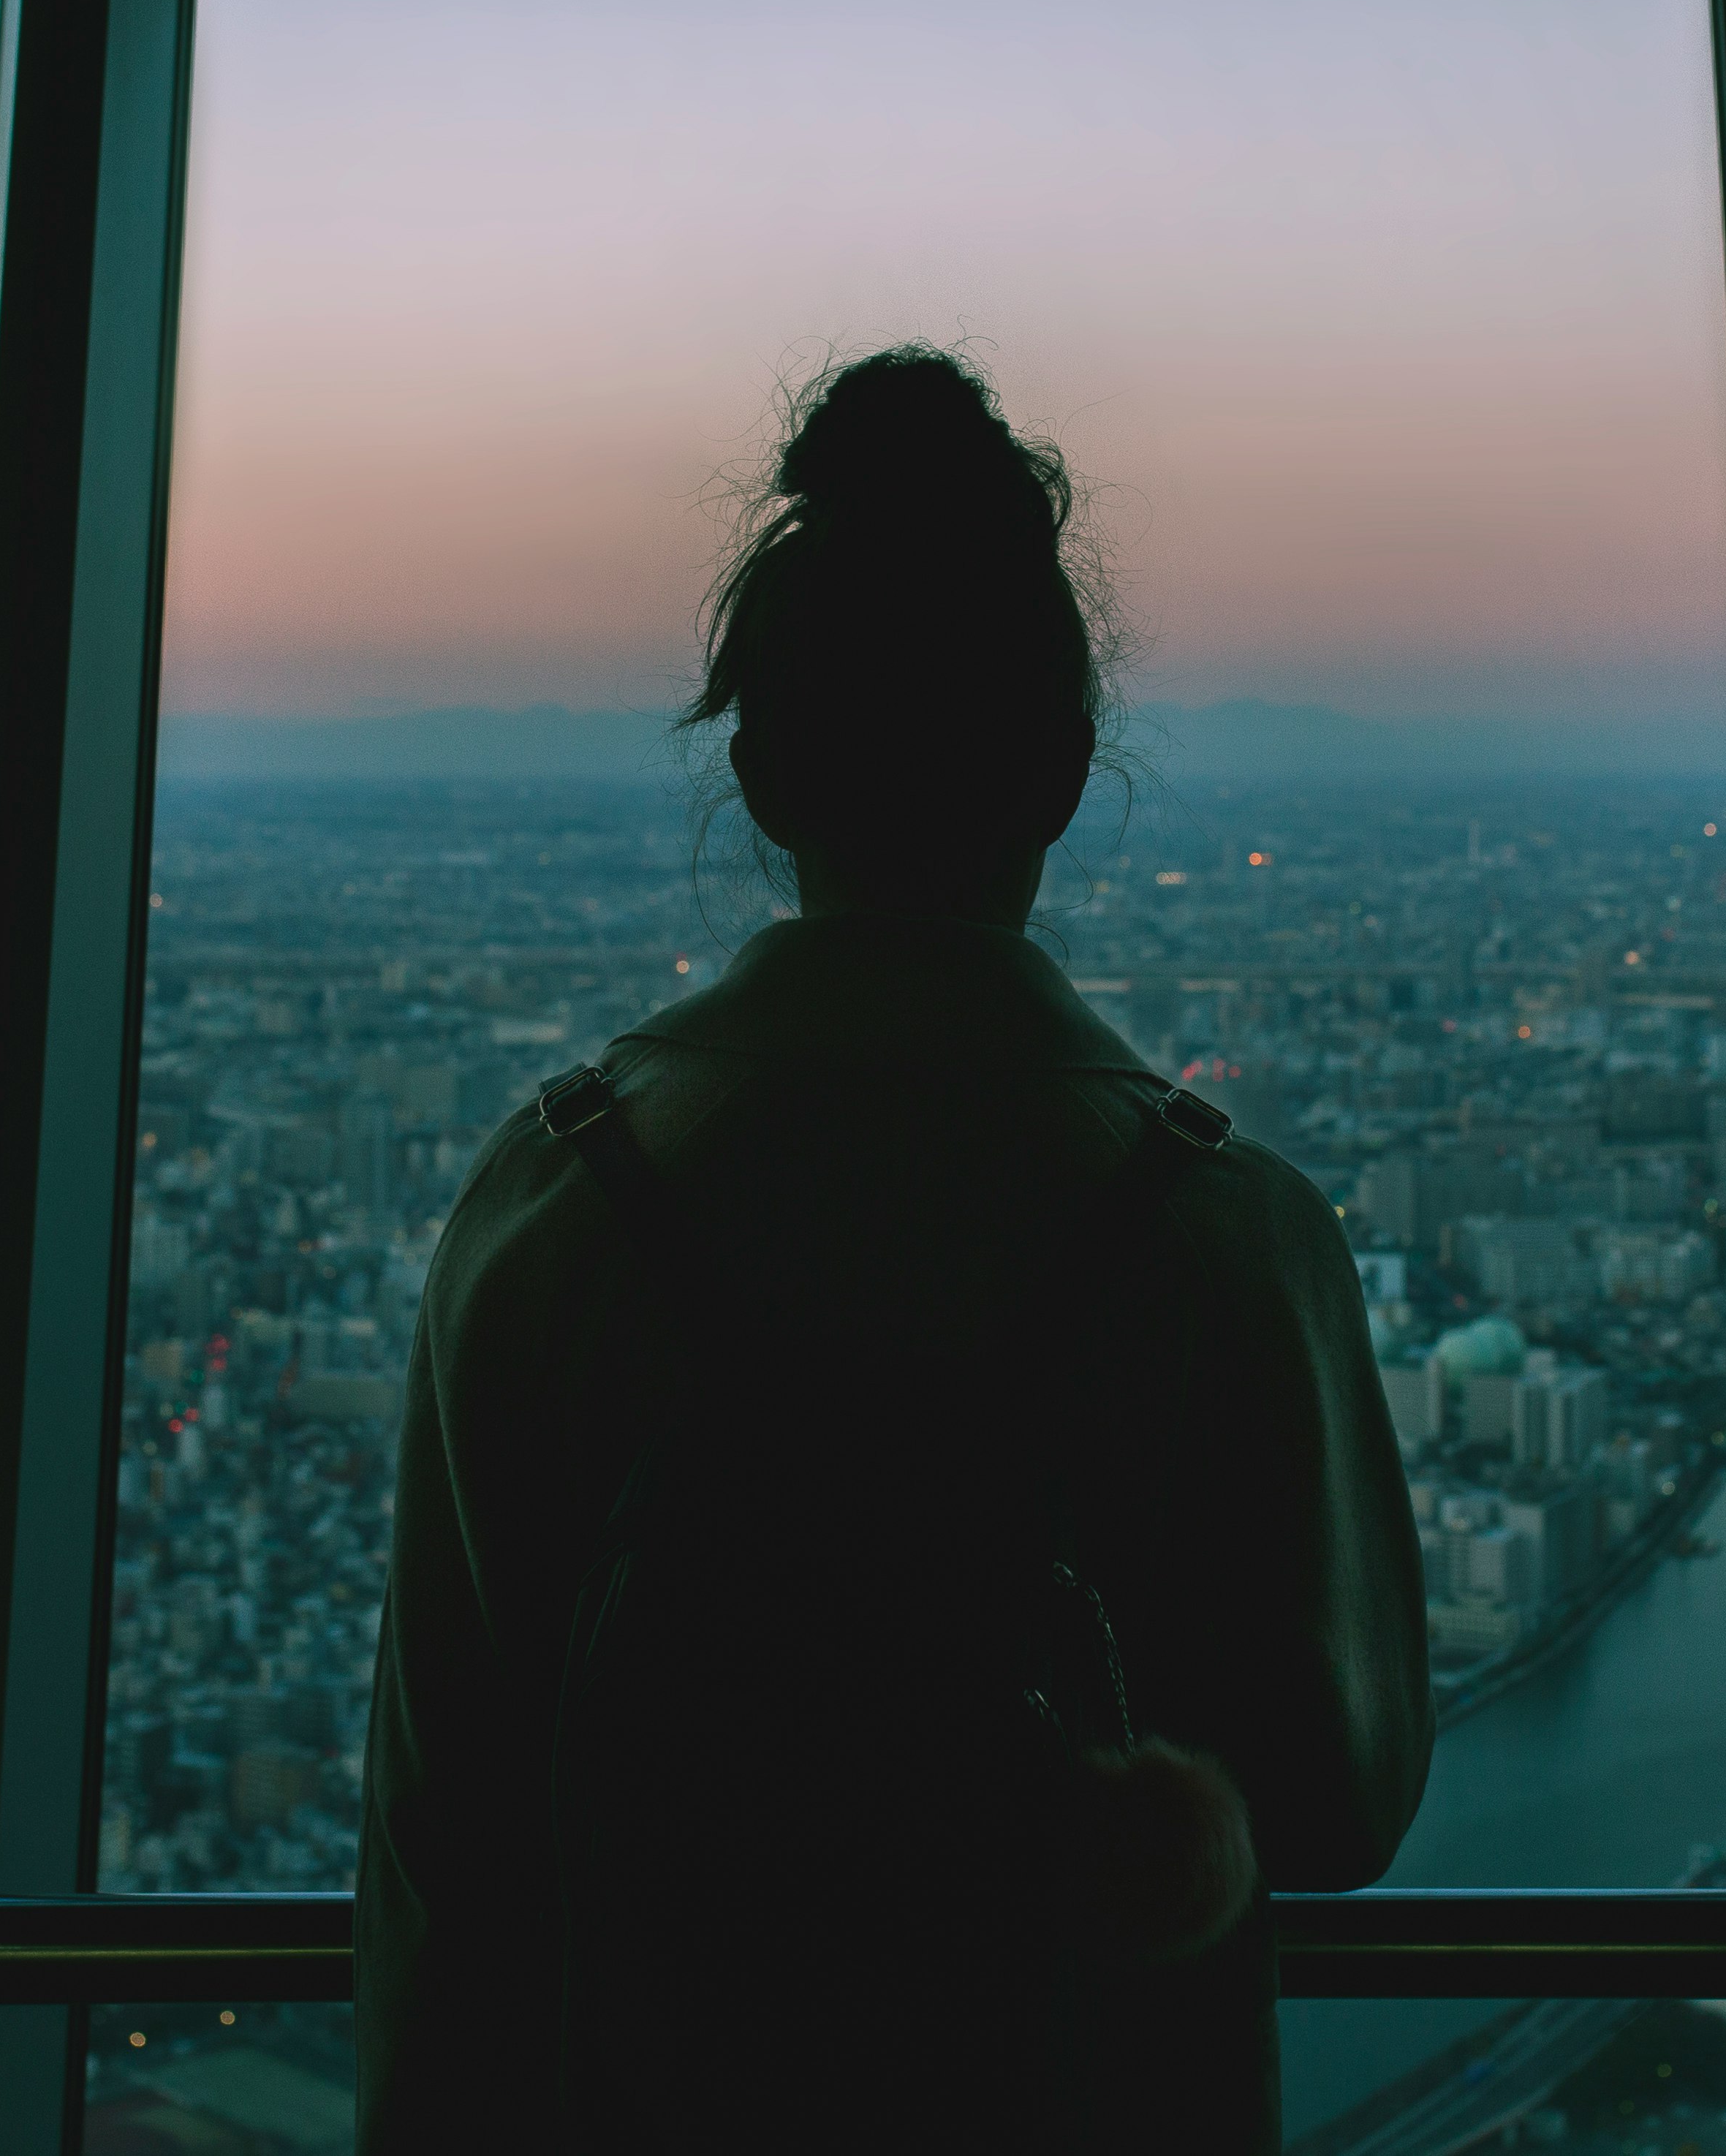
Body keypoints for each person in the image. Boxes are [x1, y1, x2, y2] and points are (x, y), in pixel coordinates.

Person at [355, 348, 1429, 2152]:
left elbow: (443, 1835)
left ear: (763, 775)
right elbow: (1342, 1800)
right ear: (1069, 772)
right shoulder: (1228, 1238)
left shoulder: (550, 1208)